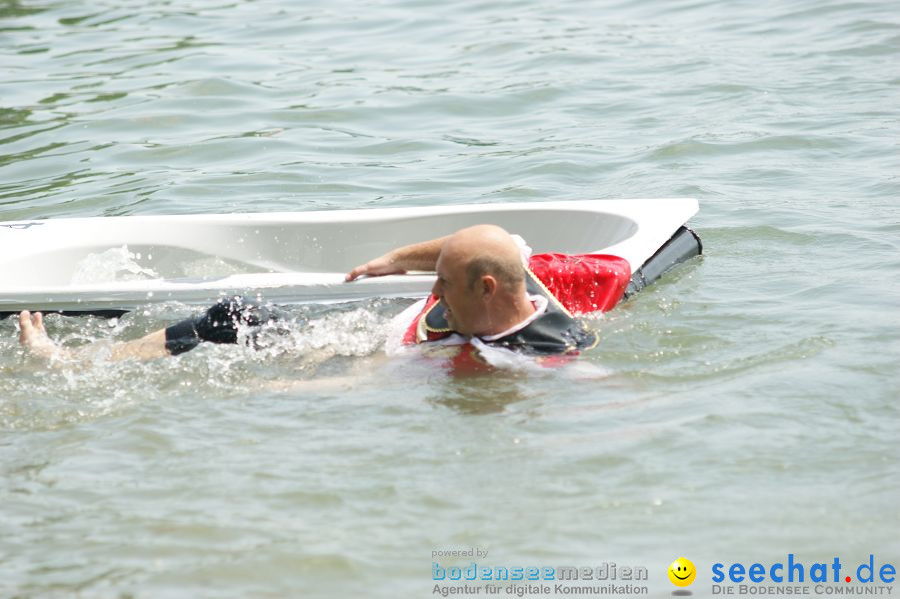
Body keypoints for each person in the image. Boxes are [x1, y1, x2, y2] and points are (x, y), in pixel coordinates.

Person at [17, 225, 631, 365]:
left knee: (228, 322)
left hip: (355, 352)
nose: (434, 284)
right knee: (236, 314)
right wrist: (394, 261)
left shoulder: (521, 353)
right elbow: (478, 243)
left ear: (488, 289)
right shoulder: (518, 276)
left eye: (442, 279)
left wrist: (301, 384)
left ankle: (64, 361)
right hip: (366, 324)